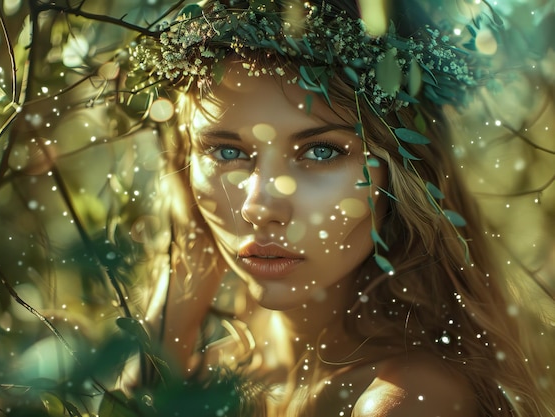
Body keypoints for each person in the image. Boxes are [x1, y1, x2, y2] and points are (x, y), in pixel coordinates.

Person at [119, 0, 555, 416]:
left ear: (400, 172)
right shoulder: (224, 372)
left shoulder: (406, 400)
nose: (258, 207)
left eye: (322, 152)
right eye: (228, 154)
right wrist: (177, 304)